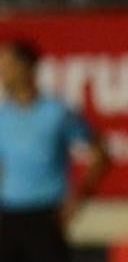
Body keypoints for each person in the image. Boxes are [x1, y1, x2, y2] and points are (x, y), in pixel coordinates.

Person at [0, 38, 110, 262]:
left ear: (27, 68)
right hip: (8, 214)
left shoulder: (57, 112)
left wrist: (78, 198)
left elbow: (100, 154)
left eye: (8, 65)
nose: (3, 72)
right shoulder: (3, 115)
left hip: (46, 214)